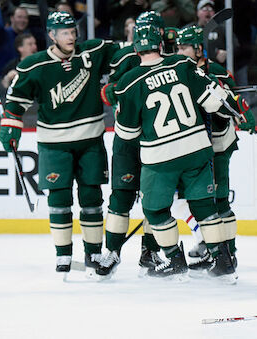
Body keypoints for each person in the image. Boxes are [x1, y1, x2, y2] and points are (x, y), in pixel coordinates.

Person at [113, 24, 253, 283]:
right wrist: (239, 110)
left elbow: (127, 134)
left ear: (136, 49)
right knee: (203, 205)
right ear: (160, 44)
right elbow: (215, 101)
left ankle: (174, 260)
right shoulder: (182, 65)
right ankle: (222, 260)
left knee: (155, 210)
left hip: (160, 157)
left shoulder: (128, 81)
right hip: (198, 149)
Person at [0, 11, 119, 276]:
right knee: (60, 198)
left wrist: (118, 83)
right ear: (51, 35)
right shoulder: (35, 65)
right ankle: (63, 255)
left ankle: (94, 253)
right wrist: (10, 127)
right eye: (65, 33)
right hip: (54, 143)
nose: (71, 37)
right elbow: (16, 101)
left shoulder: (92, 52)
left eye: (73, 31)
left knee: (91, 196)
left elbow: (124, 57)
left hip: (90, 139)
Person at [96, 11, 174, 279]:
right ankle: (113, 251)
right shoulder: (125, 57)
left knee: (156, 199)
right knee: (121, 196)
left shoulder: (174, 59)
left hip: (159, 139)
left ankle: (149, 252)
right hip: (129, 139)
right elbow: (113, 92)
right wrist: (111, 91)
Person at [173, 25, 255, 273]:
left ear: (198, 49)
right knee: (189, 201)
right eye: (177, 47)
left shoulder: (217, 72)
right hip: (194, 146)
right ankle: (206, 242)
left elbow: (230, 104)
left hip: (219, 144)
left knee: (219, 201)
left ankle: (228, 253)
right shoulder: (179, 71)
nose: (180, 52)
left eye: (184, 47)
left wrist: (242, 110)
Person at [0, 3, 29, 79]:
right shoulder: (4, 34)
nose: (22, 20)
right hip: (2, 78)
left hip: (21, 78)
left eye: (25, 18)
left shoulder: (28, 36)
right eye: (19, 17)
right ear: (12, 18)